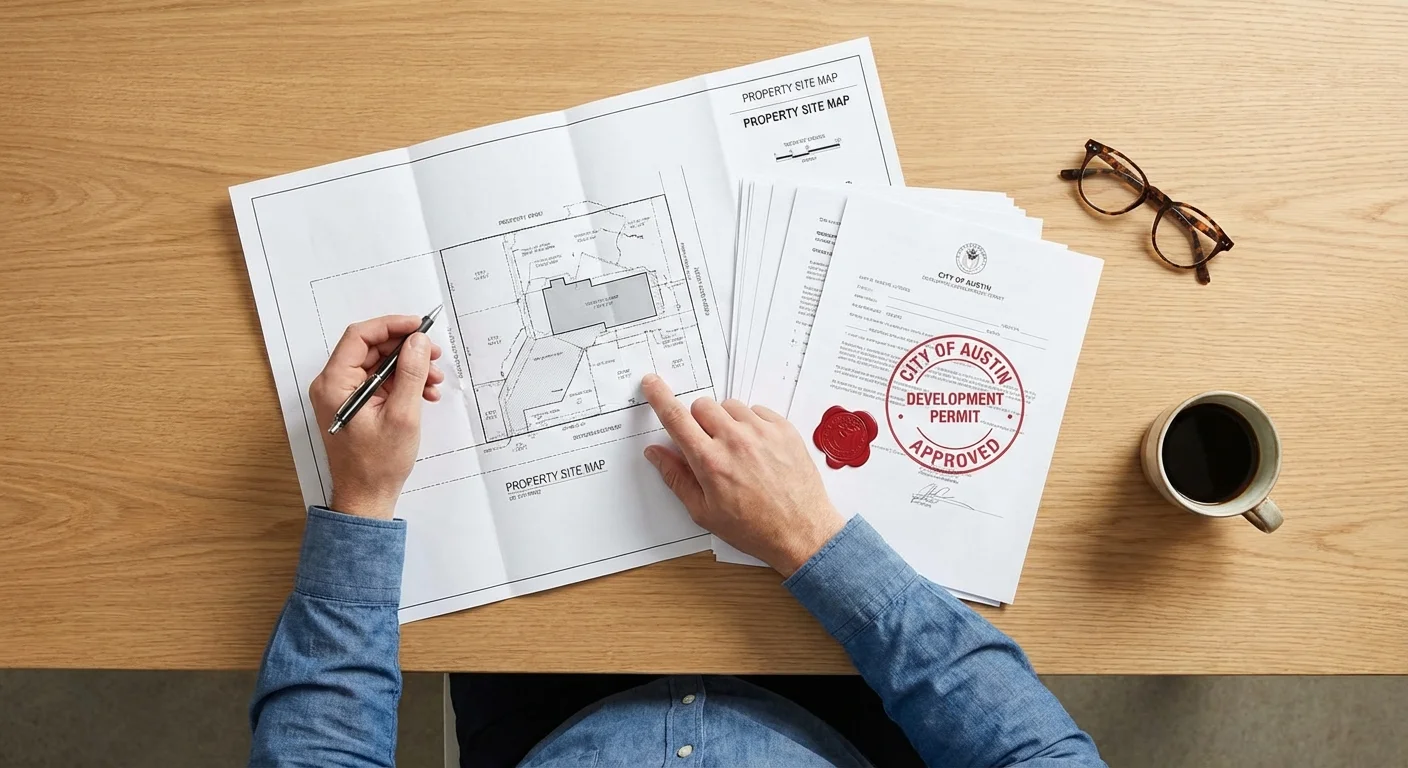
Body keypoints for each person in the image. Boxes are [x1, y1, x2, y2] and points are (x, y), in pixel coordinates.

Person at [248, 316, 1104, 767]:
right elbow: (1032, 755)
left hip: (543, 706)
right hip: (851, 705)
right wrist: (812, 538)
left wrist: (360, 502)